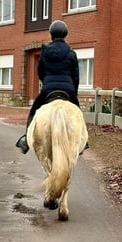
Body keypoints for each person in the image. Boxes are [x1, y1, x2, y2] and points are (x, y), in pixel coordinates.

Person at [16, 20, 80, 154]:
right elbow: (75, 77)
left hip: (48, 89)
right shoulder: (71, 53)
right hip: (68, 90)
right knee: (78, 113)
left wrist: (46, 83)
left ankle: (26, 140)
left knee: (33, 111)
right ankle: (83, 142)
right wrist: (74, 92)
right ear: (65, 34)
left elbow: (40, 73)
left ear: (51, 34)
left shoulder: (45, 52)